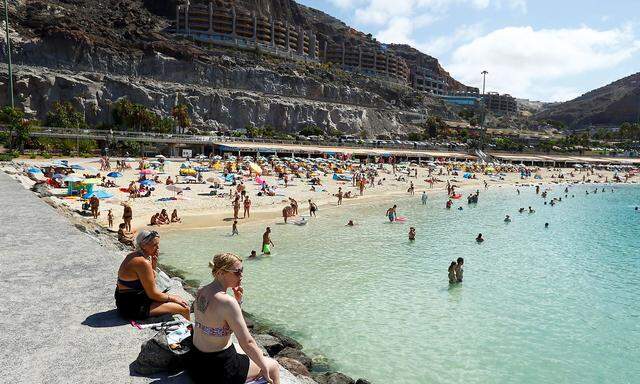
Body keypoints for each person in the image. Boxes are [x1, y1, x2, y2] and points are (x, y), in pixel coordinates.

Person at [188, 253, 280, 384]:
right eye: (237, 272)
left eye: (242, 271)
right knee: (273, 366)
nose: (241, 275)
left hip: (197, 363)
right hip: (219, 370)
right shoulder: (227, 302)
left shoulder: (201, 290)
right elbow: (247, 342)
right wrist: (264, 367)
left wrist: (238, 302)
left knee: (241, 351)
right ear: (220, 272)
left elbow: (218, 323)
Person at [115, 230, 190, 320]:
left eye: (158, 244)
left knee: (171, 300)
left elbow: (151, 280)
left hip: (124, 301)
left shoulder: (133, 255)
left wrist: (154, 263)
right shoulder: (142, 262)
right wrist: (173, 298)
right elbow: (153, 294)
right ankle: (191, 333)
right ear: (143, 245)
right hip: (133, 307)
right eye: (154, 245)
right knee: (185, 309)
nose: (158, 248)